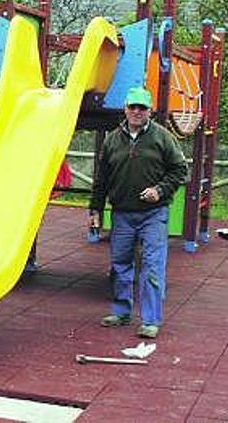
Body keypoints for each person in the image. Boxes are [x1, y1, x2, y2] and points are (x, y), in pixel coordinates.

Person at [88, 86, 187, 339]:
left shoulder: (162, 138)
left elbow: (179, 171)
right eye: (132, 107)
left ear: (149, 111)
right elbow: (101, 179)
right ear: (125, 109)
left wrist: (160, 190)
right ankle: (122, 311)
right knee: (120, 264)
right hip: (121, 213)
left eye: (141, 108)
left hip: (153, 213)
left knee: (152, 266)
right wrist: (95, 209)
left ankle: (151, 320)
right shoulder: (112, 140)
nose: (136, 112)